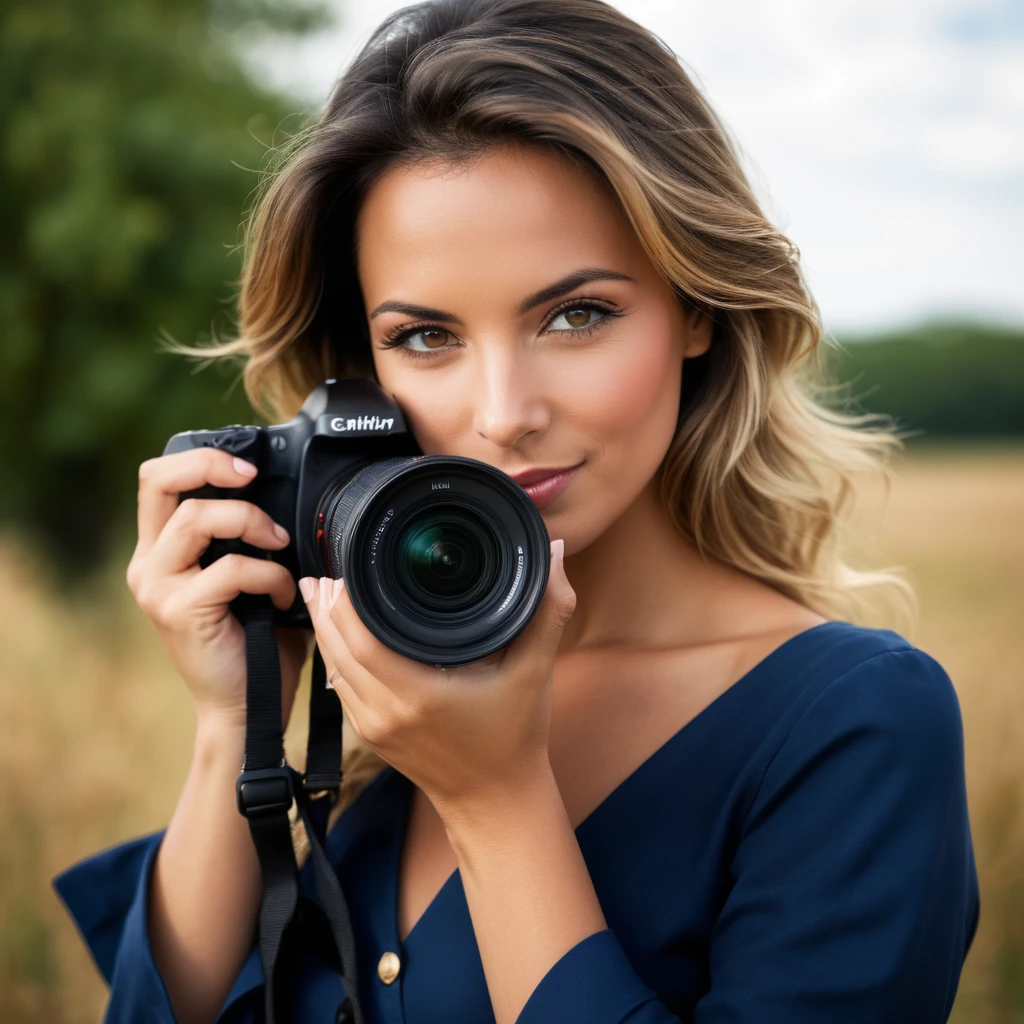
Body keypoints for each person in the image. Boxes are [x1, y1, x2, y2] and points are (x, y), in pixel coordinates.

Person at [53, 1, 980, 1022]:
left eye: (576, 316)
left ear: (698, 307)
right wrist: (239, 723)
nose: (503, 416)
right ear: (362, 369)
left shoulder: (850, 723)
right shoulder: (369, 681)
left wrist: (496, 801)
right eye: (425, 337)